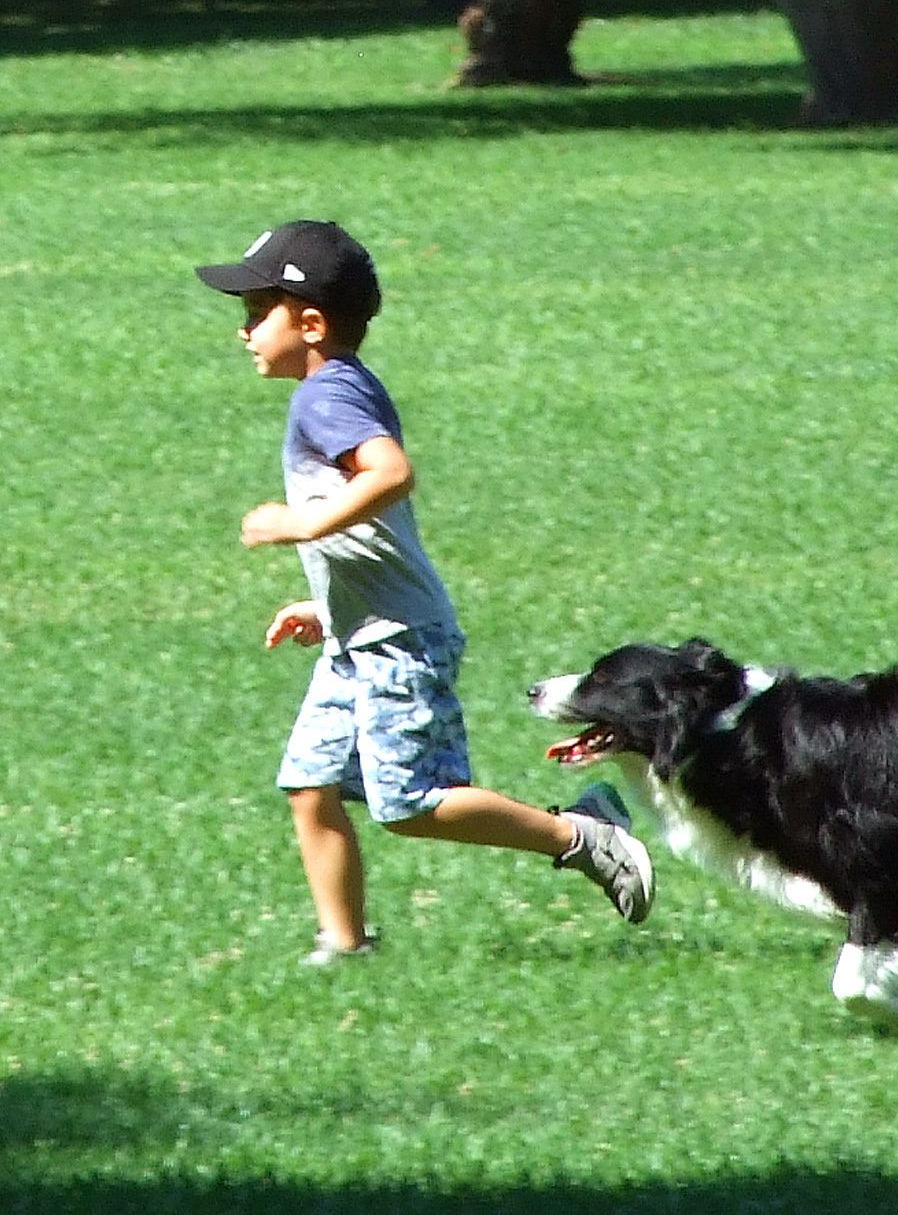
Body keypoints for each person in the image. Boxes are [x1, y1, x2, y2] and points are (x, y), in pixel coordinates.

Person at [196, 220, 655, 966]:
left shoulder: (325, 398)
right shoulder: (337, 388)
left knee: (410, 803)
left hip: (397, 638)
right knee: (310, 786)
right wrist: (329, 603)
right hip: (362, 630)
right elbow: (375, 527)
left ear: (310, 323)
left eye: (256, 312)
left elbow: (390, 475)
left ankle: (582, 835)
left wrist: (296, 523)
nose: (244, 330)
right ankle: (344, 946)